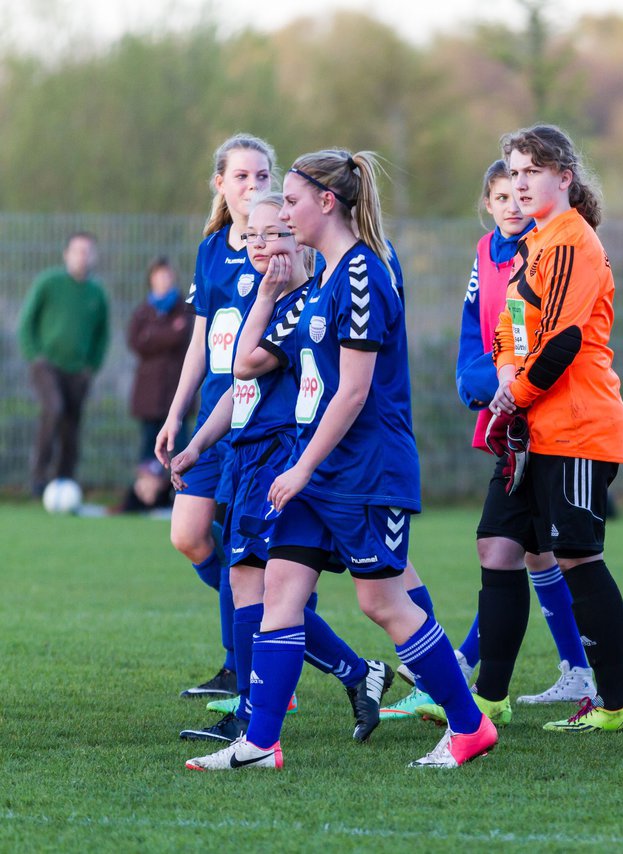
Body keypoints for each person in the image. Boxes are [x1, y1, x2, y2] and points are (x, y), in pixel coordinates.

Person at [186, 149, 494, 771]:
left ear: (328, 202)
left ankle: (469, 726)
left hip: (364, 472)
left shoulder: (362, 274)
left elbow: (353, 391)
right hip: (314, 471)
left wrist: (299, 468)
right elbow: (256, 364)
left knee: (381, 603)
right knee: (281, 589)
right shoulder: (321, 278)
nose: (280, 213)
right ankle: (261, 743)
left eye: (292, 201)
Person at [172, 193, 390, 746]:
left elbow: (253, 367)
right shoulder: (264, 304)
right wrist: (199, 445)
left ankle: (252, 716)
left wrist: (269, 293)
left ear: (301, 242)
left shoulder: (301, 303)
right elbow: (241, 386)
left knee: (262, 588)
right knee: (254, 586)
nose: (262, 246)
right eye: (254, 237)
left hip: (277, 451)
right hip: (243, 454)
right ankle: (355, 675)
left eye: (276, 235)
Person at [385, 160, 595, 722]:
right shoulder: (485, 250)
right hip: (502, 402)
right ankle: (571, 670)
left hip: (537, 405)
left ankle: (461, 665)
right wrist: (472, 377)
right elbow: (474, 321)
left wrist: (503, 380)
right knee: (524, 548)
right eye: (499, 195)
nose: (511, 203)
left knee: (530, 547)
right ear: (487, 201)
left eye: (518, 192)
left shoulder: (550, 246)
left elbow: (544, 335)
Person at [471, 124, 623, 734]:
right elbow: (512, 330)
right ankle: (488, 699)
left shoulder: (572, 242)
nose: (521, 182)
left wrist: (512, 393)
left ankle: (616, 705)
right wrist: (507, 378)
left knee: (575, 556)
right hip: (530, 428)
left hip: (575, 428)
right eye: (513, 172)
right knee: (497, 546)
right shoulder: (534, 245)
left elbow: (563, 340)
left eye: (532, 170)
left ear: (564, 177)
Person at [156, 134, 274, 699]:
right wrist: (175, 415)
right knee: (189, 535)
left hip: (259, 418)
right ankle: (261, 638)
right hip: (211, 416)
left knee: (252, 554)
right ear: (220, 185)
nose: (254, 186)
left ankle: (247, 663)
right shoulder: (211, 250)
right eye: (243, 176)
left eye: (263, 176)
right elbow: (201, 342)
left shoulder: (280, 247)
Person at [18, 231, 109, 496]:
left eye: (87, 251)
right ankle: (38, 476)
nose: (83, 256)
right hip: (46, 364)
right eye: (77, 250)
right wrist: (35, 355)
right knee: (54, 408)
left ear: (94, 256)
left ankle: (65, 481)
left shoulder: (96, 293)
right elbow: (27, 322)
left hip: (78, 370)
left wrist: (91, 365)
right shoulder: (49, 283)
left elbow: (102, 334)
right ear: (66, 254)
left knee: (72, 424)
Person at [117, 257, 193, 513]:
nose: (164, 280)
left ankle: (180, 499)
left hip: (175, 396)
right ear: (151, 278)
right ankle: (147, 498)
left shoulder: (185, 309)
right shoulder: (142, 311)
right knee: (149, 452)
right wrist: (167, 334)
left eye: (168, 275)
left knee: (180, 449)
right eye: (159, 275)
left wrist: (154, 336)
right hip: (148, 396)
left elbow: (181, 337)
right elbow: (137, 341)